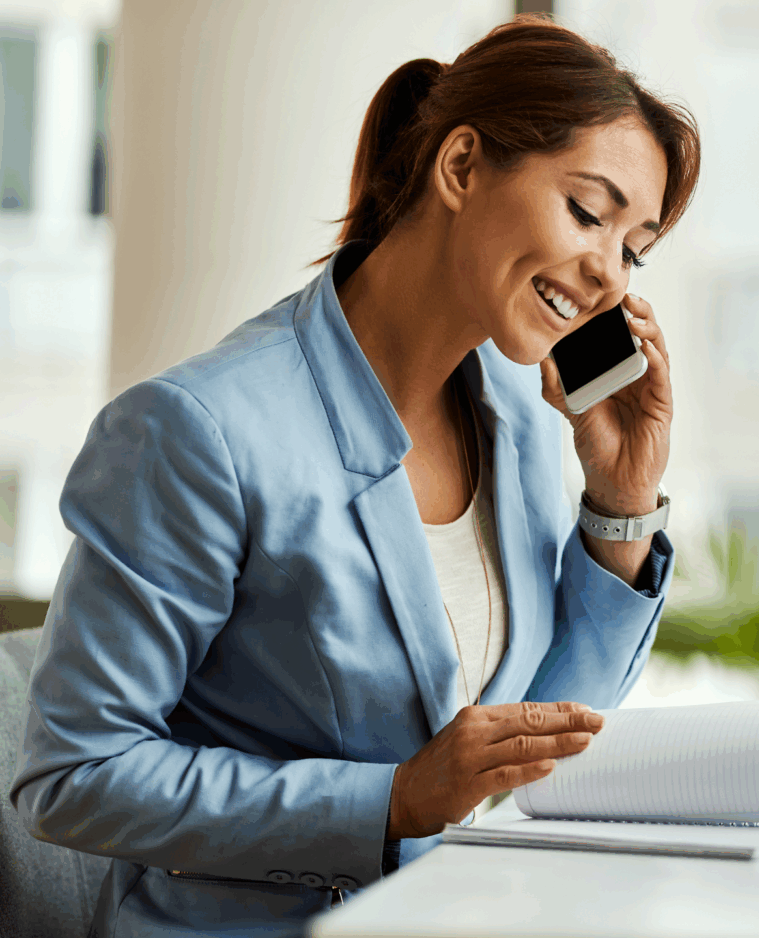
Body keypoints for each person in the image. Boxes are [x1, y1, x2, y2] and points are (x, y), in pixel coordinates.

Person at [10, 13, 700, 938]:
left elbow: (545, 731)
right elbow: (74, 778)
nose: (609, 276)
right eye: (588, 212)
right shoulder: (199, 431)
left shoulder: (526, 424)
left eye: (633, 248)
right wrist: (393, 801)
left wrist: (620, 500)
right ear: (460, 168)